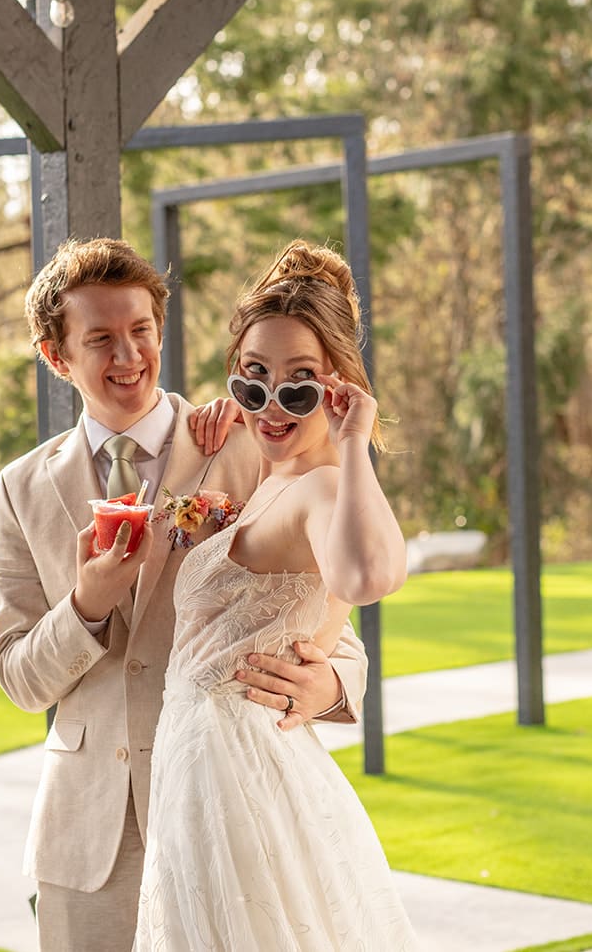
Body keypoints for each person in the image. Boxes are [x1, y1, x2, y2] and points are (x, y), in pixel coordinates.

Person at [0, 237, 370, 952]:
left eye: (140, 331)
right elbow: (16, 675)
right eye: (100, 338)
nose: (128, 355)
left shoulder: (251, 445)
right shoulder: (22, 489)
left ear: (161, 331)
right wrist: (87, 606)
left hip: (230, 815)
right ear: (55, 355)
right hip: (87, 845)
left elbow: (328, 617)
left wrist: (330, 687)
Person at [134, 240, 420, 951]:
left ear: (338, 387)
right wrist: (217, 440)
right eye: (252, 380)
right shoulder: (275, 474)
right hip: (203, 766)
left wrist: (354, 445)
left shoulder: (323, 484)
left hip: (238, 772)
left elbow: (365, 579)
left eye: (298, 385)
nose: (270, 404)